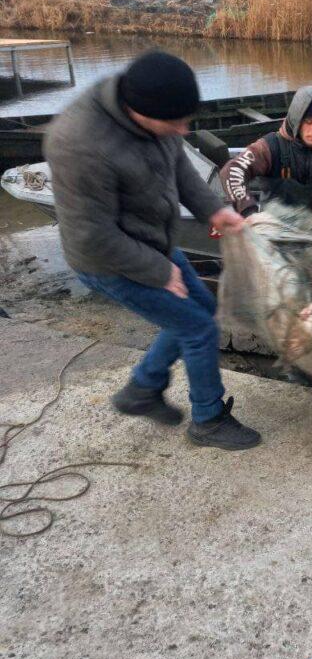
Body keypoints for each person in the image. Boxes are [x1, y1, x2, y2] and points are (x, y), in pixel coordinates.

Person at [44, 50, 262, 452]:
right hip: (109, 261)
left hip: (153, 241)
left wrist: (214, 211)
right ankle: (208, 419)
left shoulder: (154, 116)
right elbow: (92, 237)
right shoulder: (79, 144)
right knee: (198, 328)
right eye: (175, 122)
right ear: (137, 111)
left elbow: (178, 165)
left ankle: (142, 390)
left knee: (197, 312)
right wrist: (159, 272)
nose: (183, 130)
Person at [220, 86, 312, 222]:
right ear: (297, 120)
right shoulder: (270, 146)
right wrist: (249, 212)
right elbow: (232, 170)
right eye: (309, 122)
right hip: (273, 231)